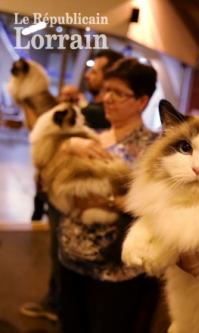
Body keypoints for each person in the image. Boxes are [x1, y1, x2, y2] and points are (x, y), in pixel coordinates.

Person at [56, 58, 159, 333]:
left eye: (119, 93)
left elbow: (156, 206)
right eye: (107, 90)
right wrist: (68, 147)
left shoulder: (154, 149)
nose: (108, 99)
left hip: (114, 271)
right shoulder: (93, 137)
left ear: (142, 101)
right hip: (70, 258)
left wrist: (107, 201)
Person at [82, 49, 123, 130]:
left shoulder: (94, 114)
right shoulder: (115, 116)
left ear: (108, 78)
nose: (87, 75)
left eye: (94, 72)